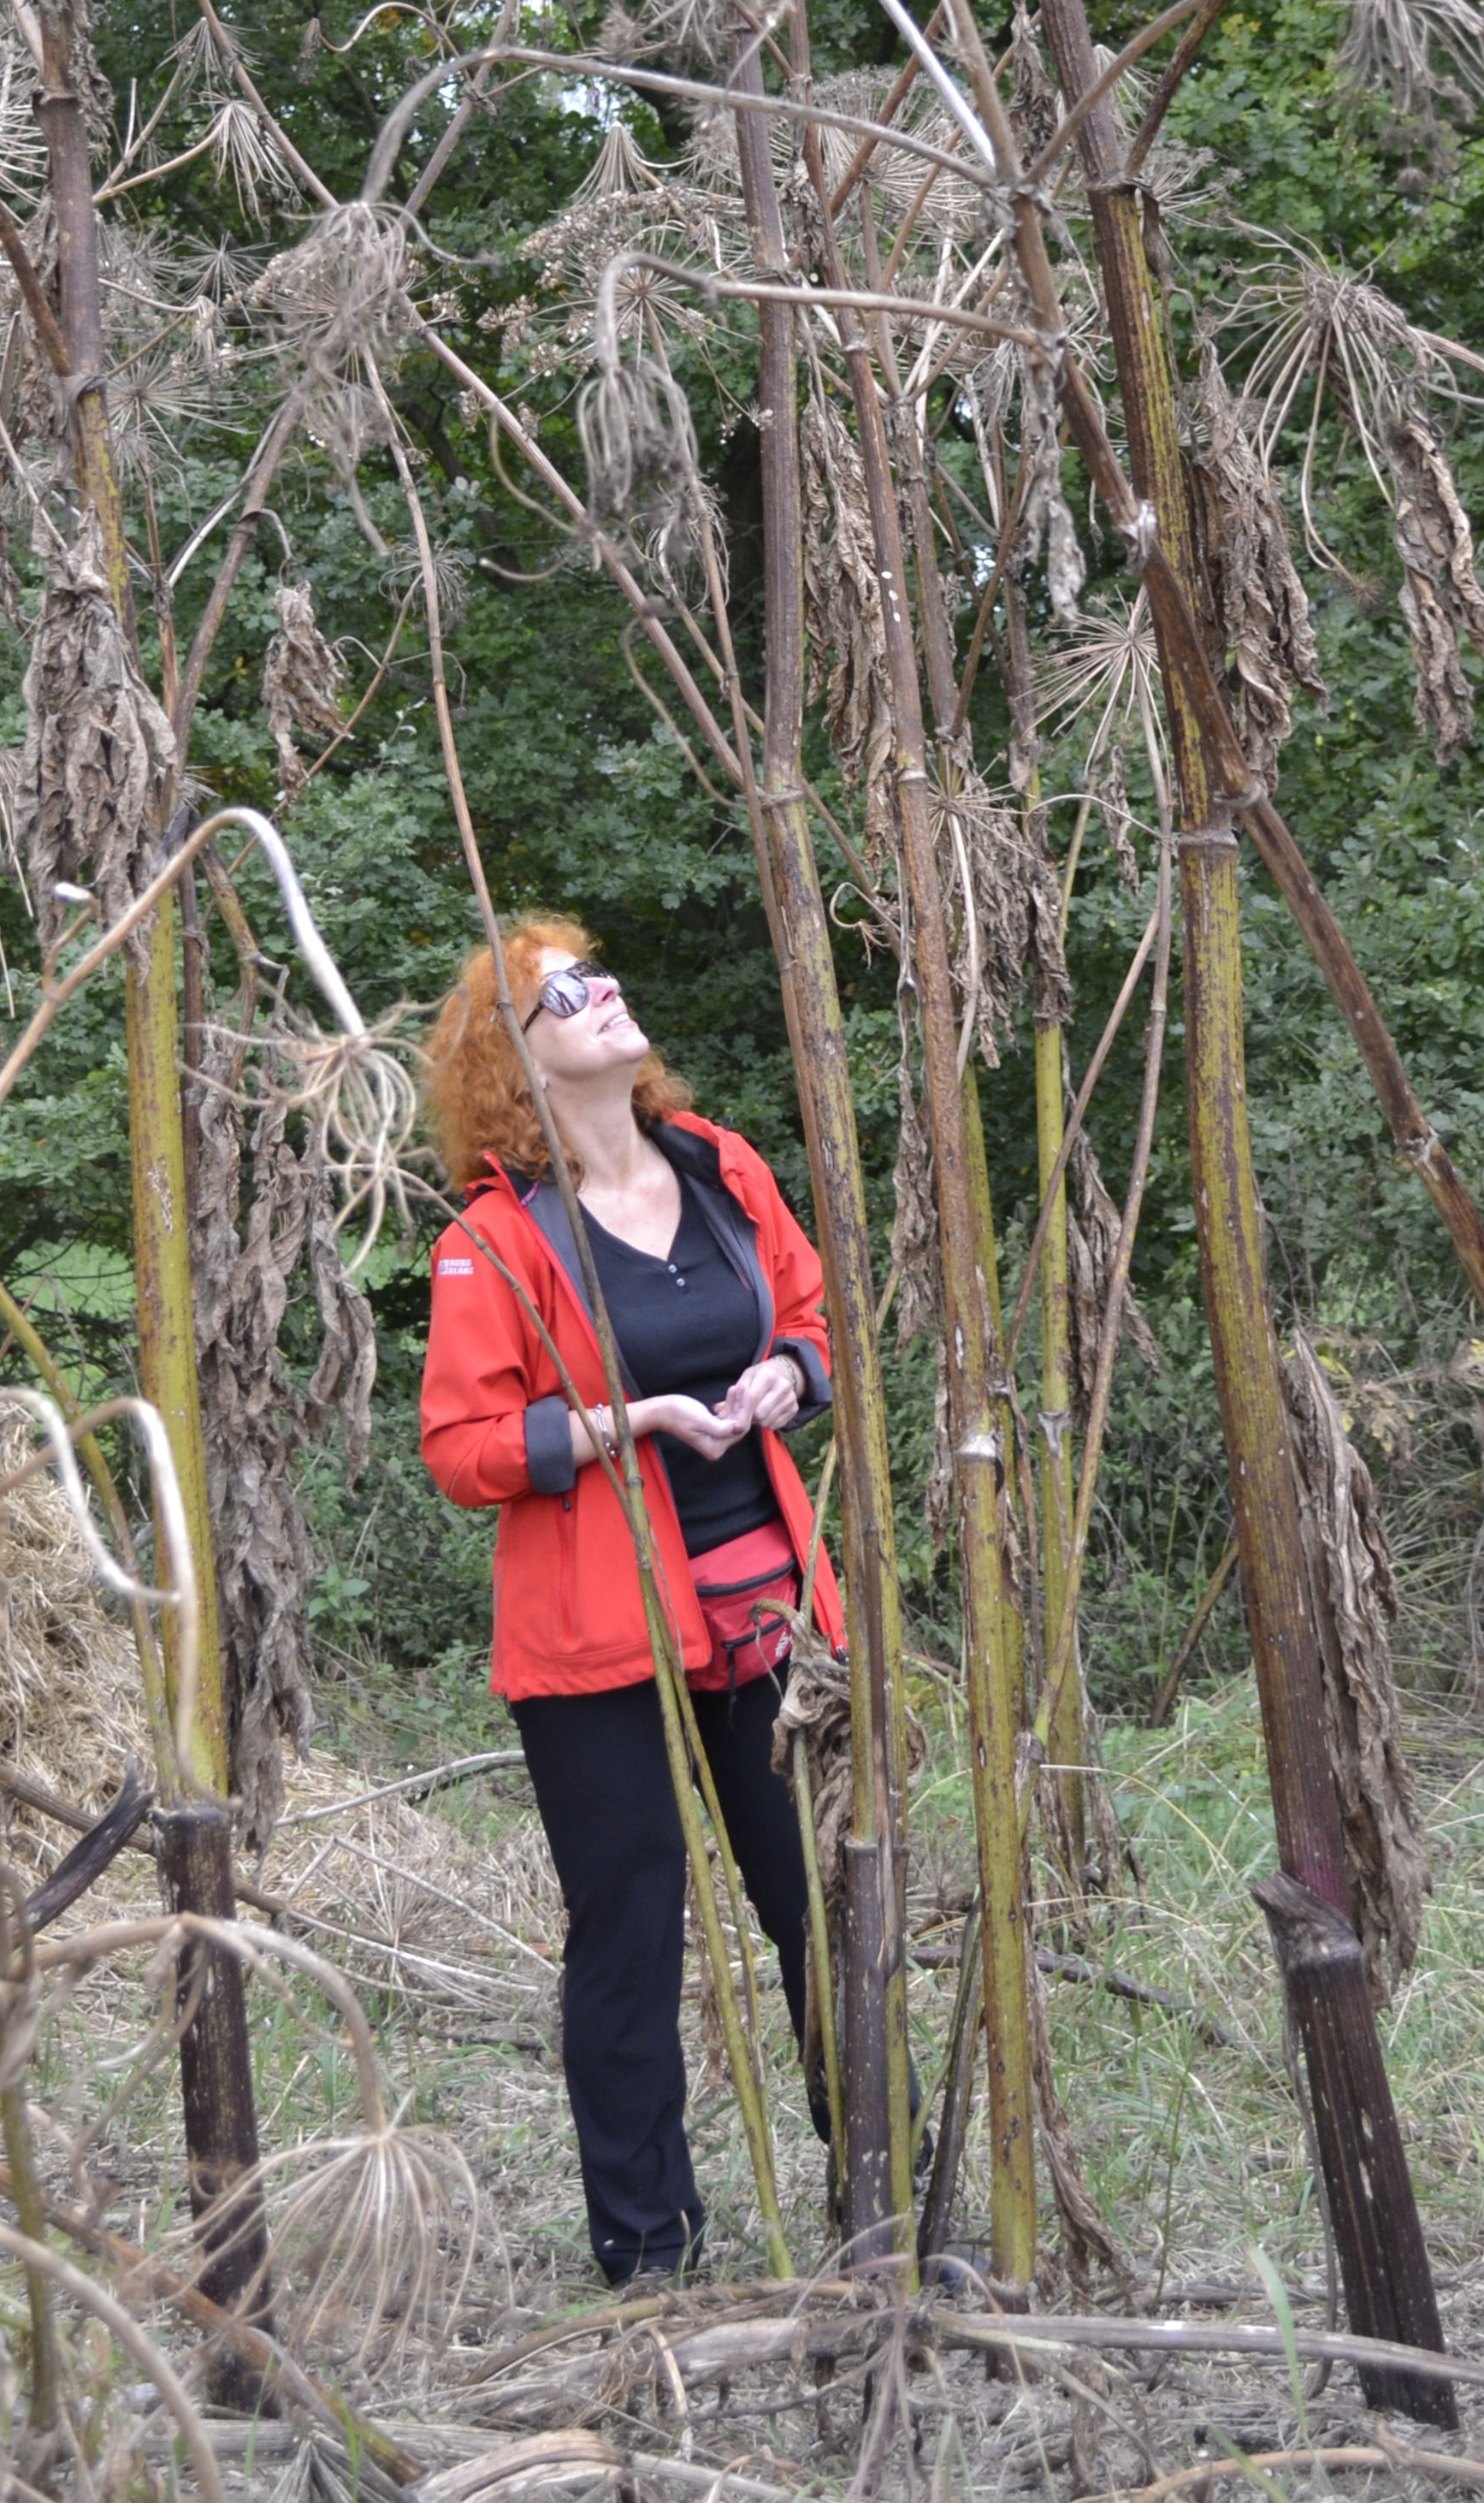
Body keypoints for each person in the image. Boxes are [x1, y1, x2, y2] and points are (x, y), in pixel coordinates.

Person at [417, 914, 841, 2285]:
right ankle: (648, 2251)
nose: (602, 996)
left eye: (602, 974)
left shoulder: (722, 1168)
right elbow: (464, 1454)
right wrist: (626, 1418)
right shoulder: (498, 1237)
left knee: (820, 1900)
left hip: (768, 1609)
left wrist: (790, 1373)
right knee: (634, 1926)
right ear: (515, 1061)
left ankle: (883, 2192)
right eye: (563, 994)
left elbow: (811, 1317)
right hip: (603, 1637)